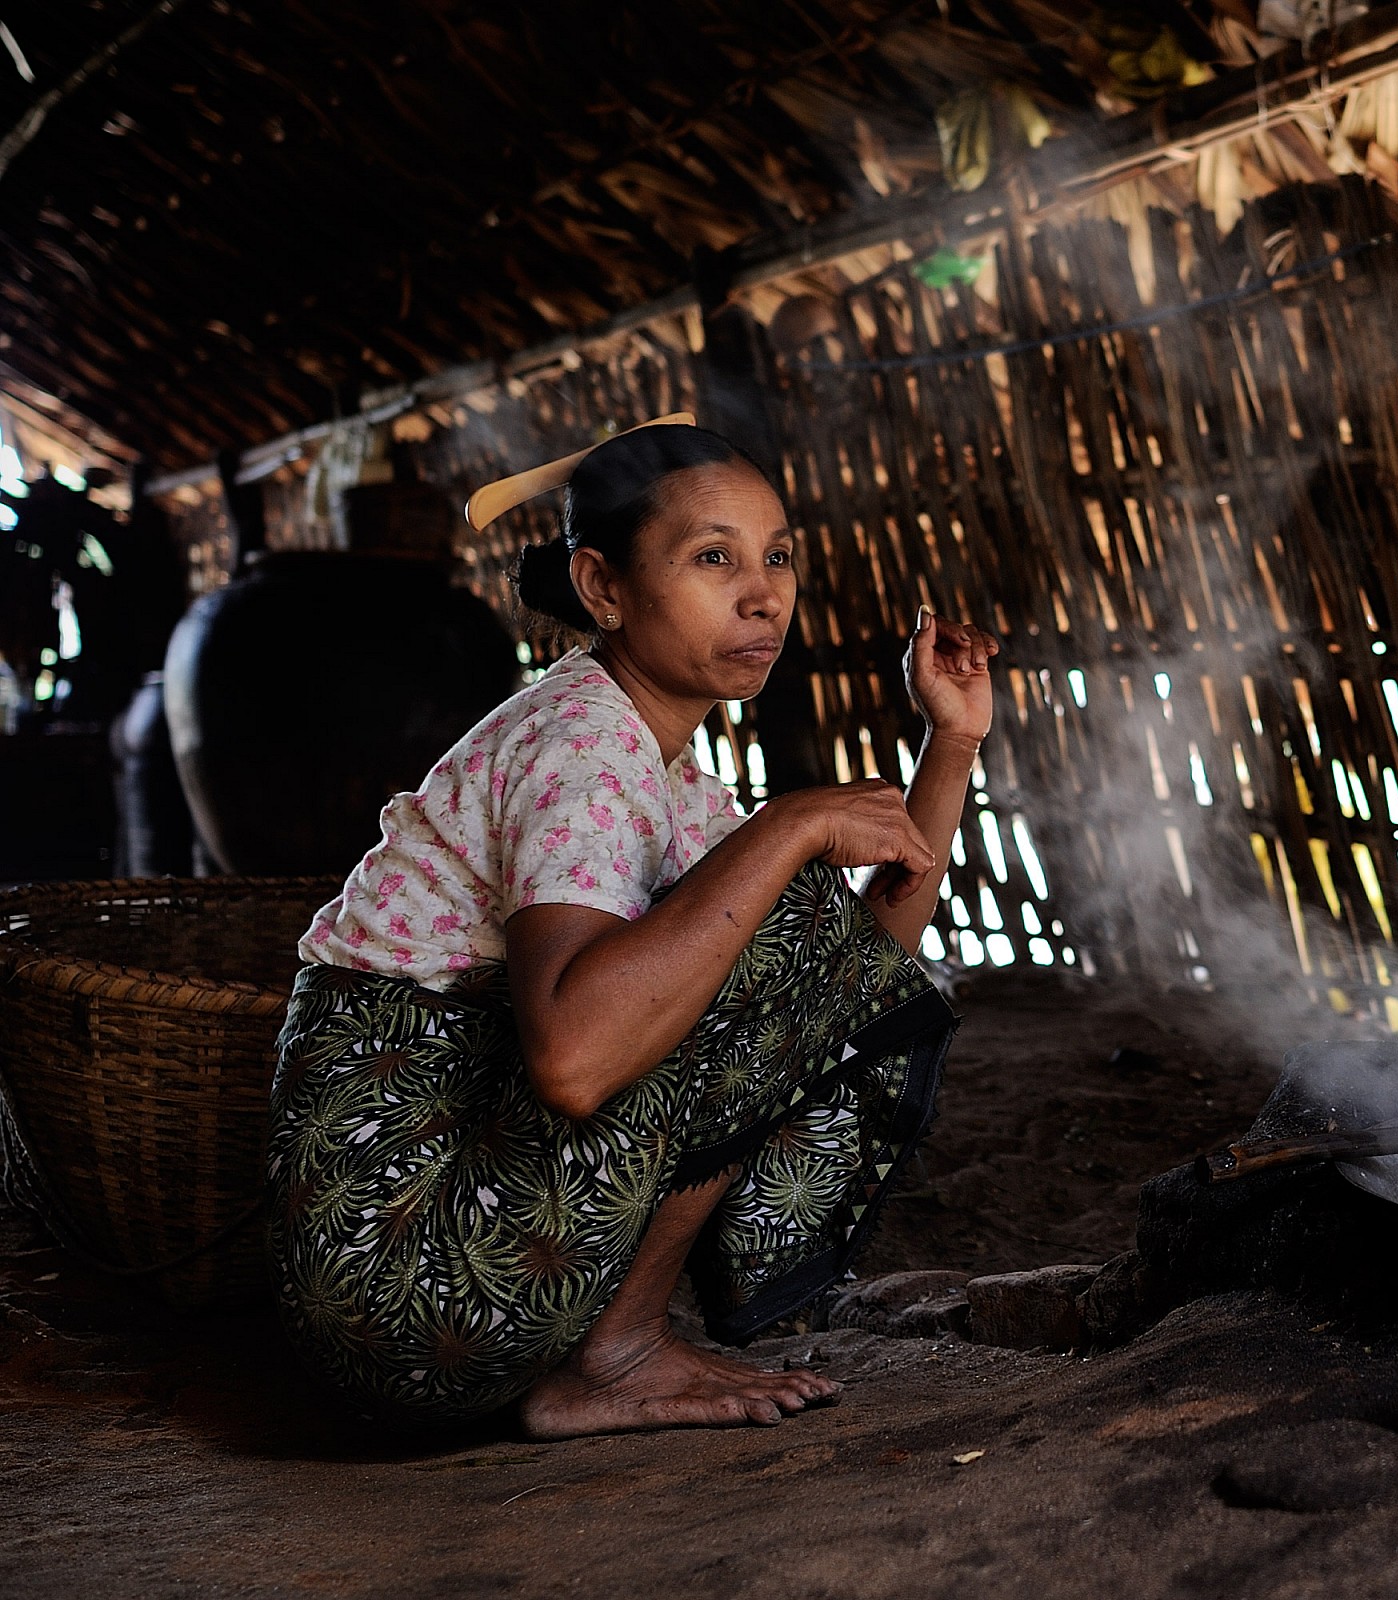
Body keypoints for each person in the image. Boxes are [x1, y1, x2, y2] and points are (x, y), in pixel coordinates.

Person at [267, 418, 996, 1438]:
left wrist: (951, 743)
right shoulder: (582, 746)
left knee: (767, 926)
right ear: (602, 588)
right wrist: (790, 824)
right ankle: (618, 1352)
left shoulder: (659, 765)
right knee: (756, 914)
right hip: (405, 1275)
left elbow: (851, 968)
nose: (765, 593)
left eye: (777, 555)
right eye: (713, 557)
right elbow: (571, 1059)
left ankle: (611, 1345)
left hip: (440, 1283)